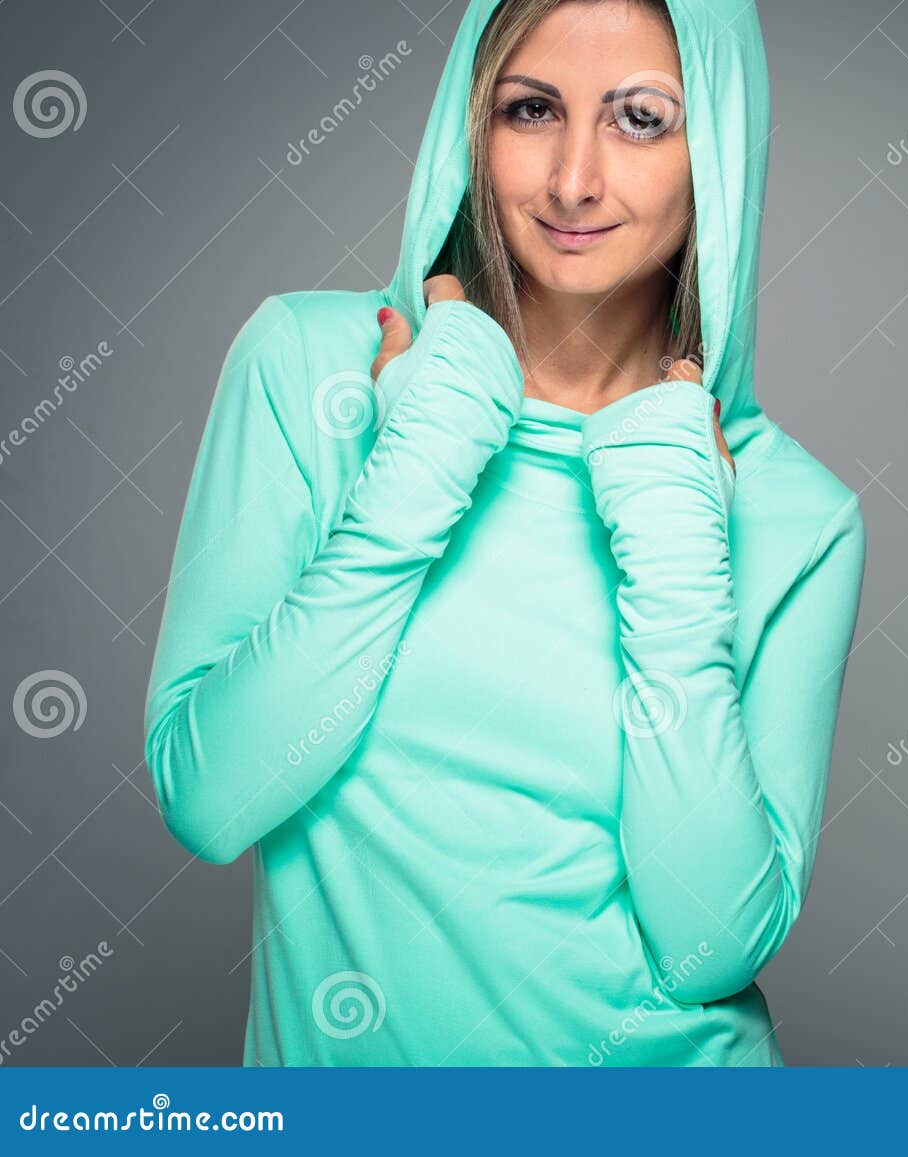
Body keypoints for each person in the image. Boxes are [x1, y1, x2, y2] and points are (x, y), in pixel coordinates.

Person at [142, 0, 865, 1066]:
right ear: (470, 124)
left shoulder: (795, 511)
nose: (573, 179)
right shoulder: (311, 372)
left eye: (640, 119)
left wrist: (673, 534)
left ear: (717, 143)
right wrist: (423, 456)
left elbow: (707, 945)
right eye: (532, 110)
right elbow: (213, 799)